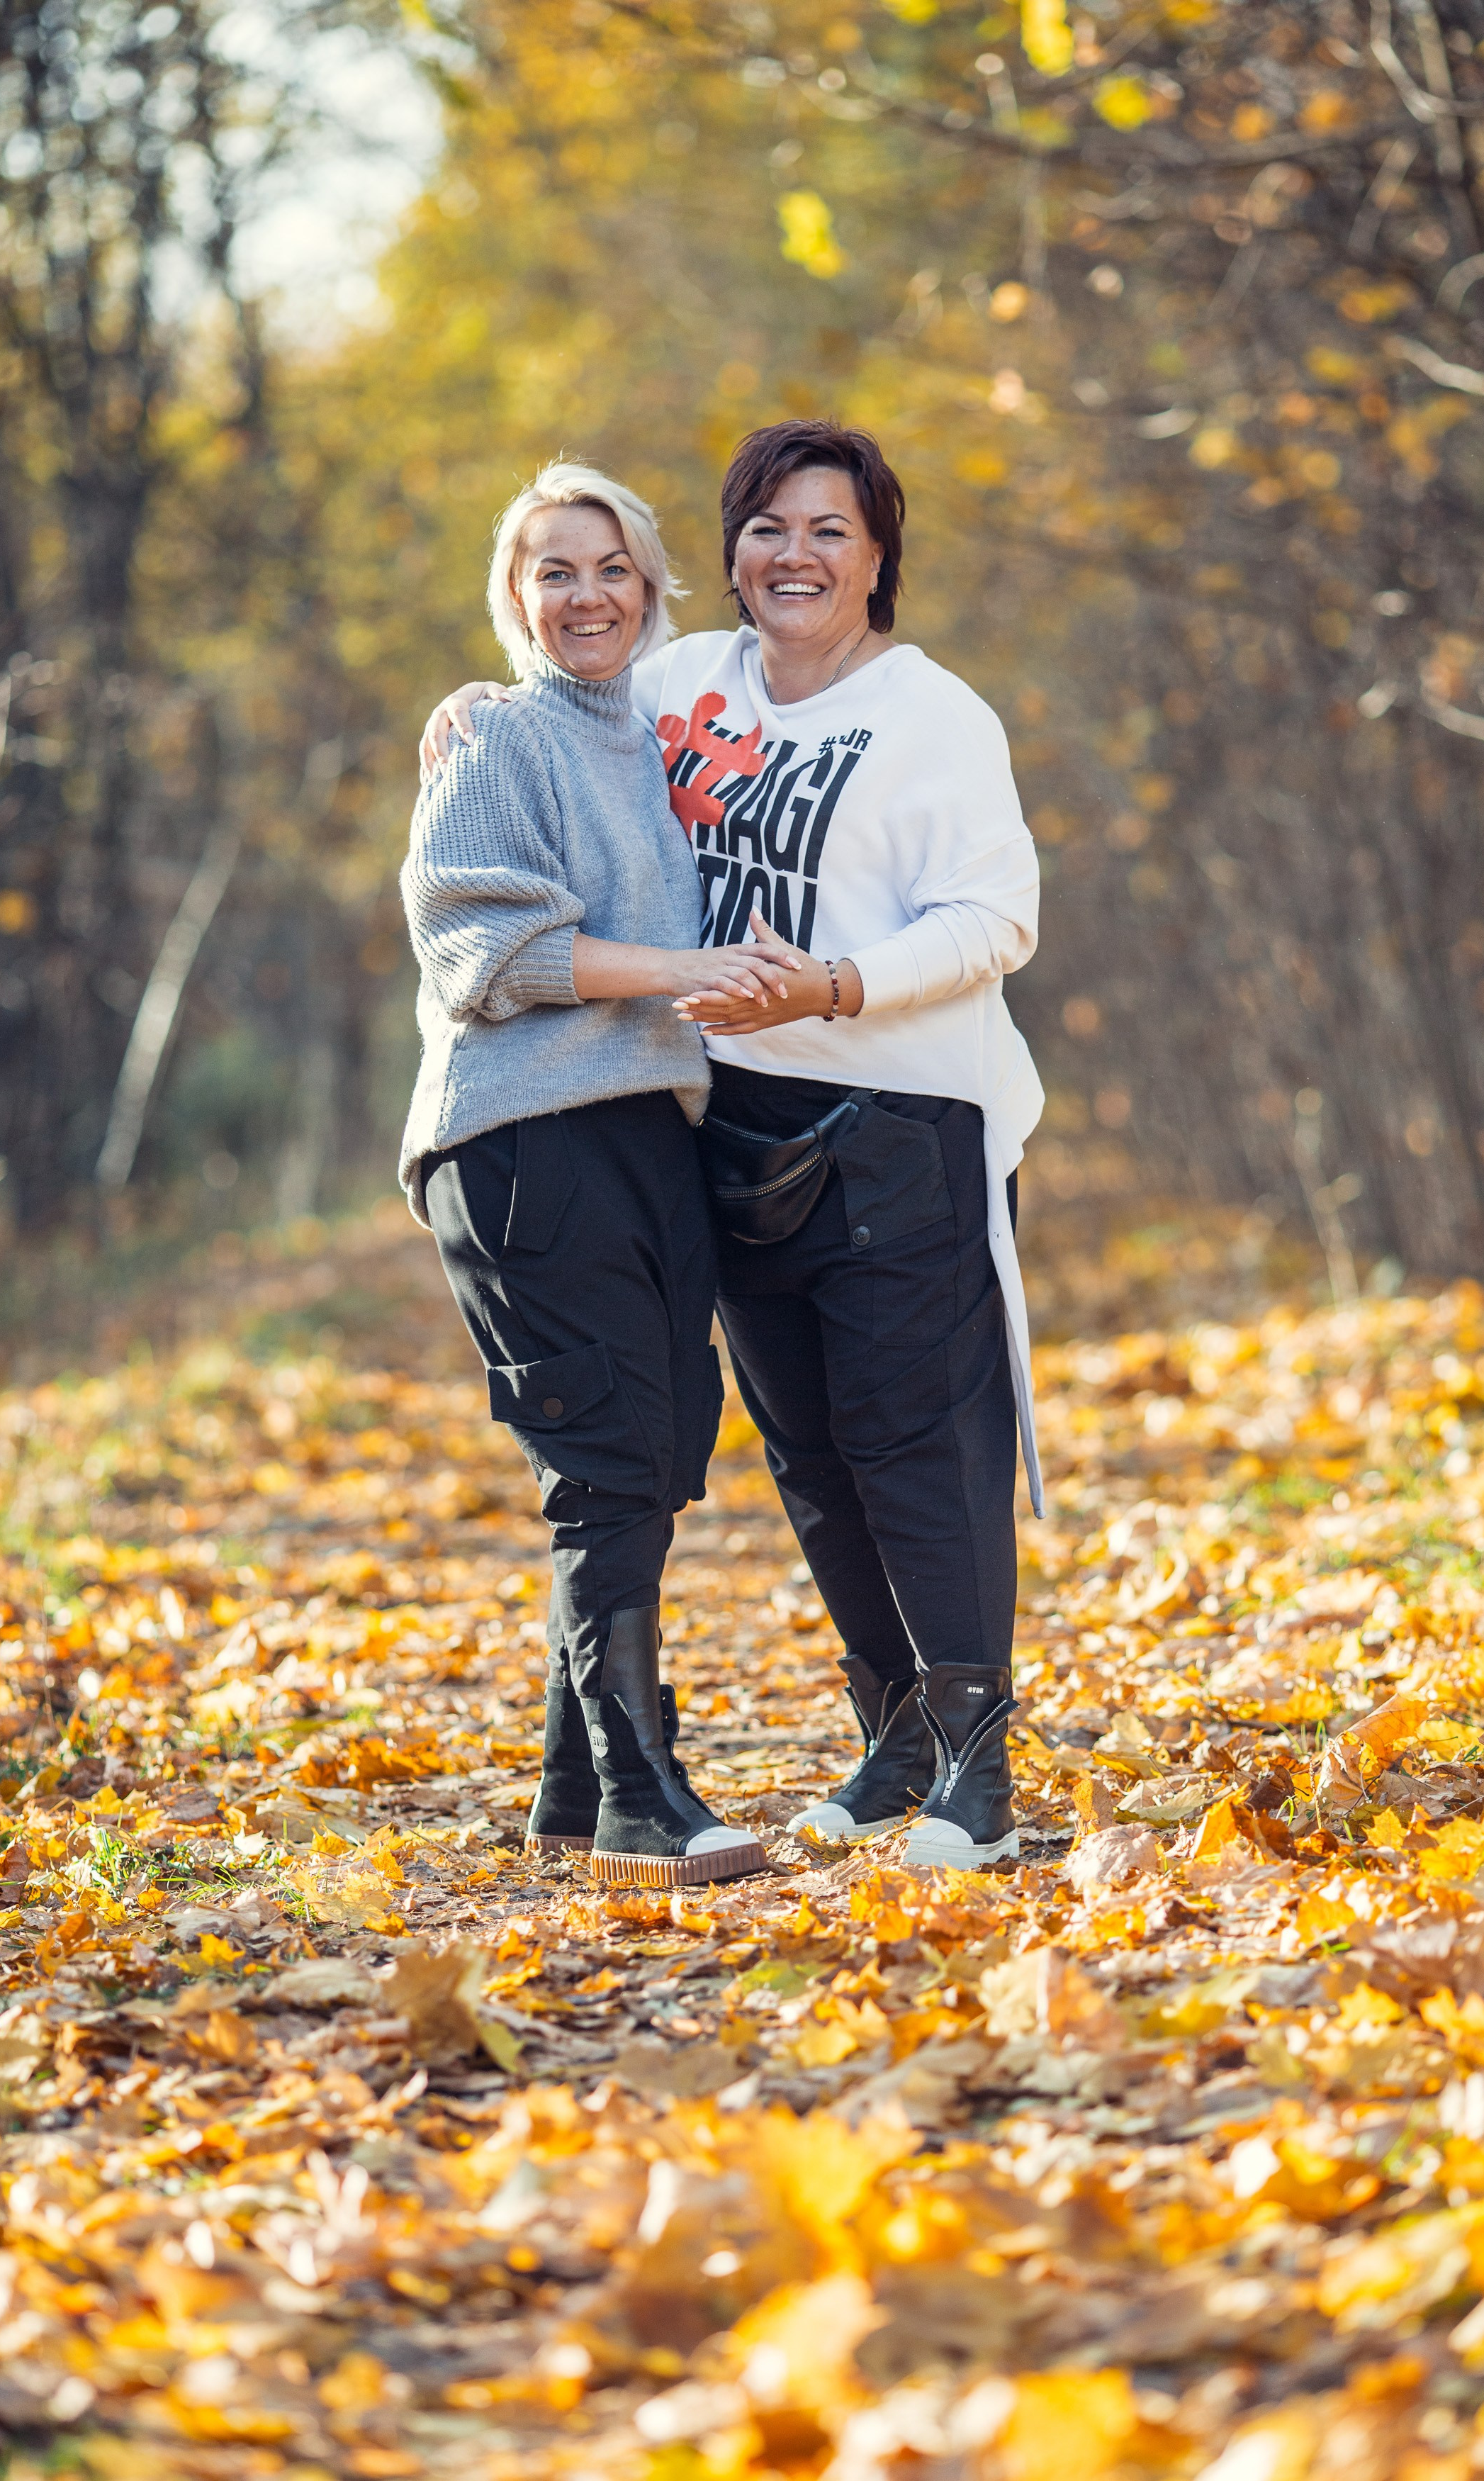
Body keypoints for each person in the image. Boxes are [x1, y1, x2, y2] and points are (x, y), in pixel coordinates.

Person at [420, 420, 1042, 1868]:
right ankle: (893, 1735)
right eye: (768, 528)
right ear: (728, 555)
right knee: (810, 1455)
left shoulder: (934, 712)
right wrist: (464, 703)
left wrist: (835, 984)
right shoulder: (688, 684)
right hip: (736, 1118)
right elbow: (552, 685)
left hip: (903, 1114)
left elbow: (997, 920)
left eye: (830, 530)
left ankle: (979, 1764)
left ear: (880, 553)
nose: (796, 555)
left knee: (912, 1442)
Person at [400, 459, 797, 1887]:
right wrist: (687, 968)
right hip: (517, 1133)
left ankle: (574, 1792)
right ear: (515, 598)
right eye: (552, 571)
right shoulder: (493, 739)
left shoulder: (679, 738)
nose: (586, 594)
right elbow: (482, 956)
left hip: (651, 1129)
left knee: (656, 1444)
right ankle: (643, 1786)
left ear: (652, 587)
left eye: (610, 567)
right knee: (606, 1453)